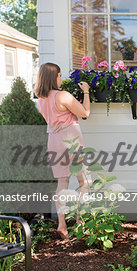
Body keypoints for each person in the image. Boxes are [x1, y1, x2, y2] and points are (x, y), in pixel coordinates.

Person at [34, 62, 91, 239]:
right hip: (70, 140)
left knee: (62, 184)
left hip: (54, 140)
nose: (61, 78)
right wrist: (86, 91)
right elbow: (85, 113)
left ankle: (62, 224)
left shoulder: (40, 99)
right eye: (59, 75)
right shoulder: (62, 96)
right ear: (53, 77)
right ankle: (80, 220)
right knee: (84, 182)